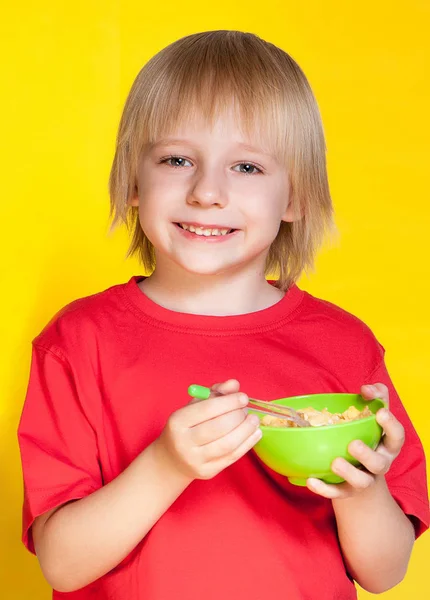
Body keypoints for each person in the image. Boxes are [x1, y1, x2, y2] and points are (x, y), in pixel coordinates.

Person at [18, 30, 429, 600]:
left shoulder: (344, 346)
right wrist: (166, 466)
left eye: (248, 168)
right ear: (134, 179)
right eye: (177, 159)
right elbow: (61, 566)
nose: (207, 192)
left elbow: (386, 574)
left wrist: (361, 490)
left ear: (294, 199)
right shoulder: (79, 341)